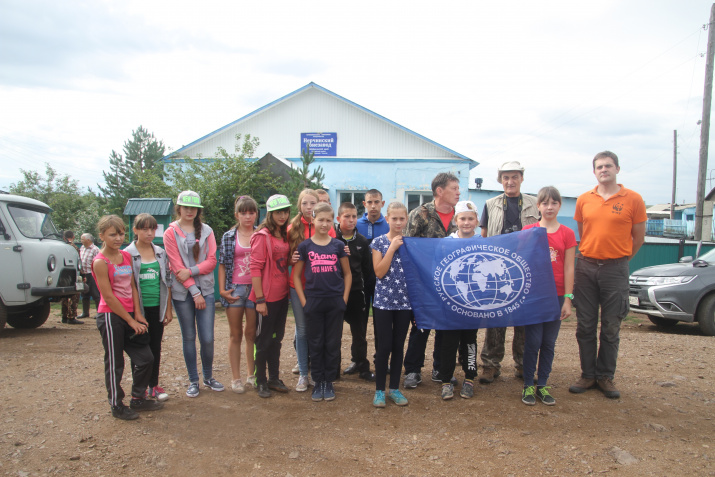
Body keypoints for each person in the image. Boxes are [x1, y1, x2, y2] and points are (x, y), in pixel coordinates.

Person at [569, 151, 646, 399]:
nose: (604, 170)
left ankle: (605, 377)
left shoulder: (633, 199)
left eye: (608, 166)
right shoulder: (584, 200)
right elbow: (584, 233)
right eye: (599, 166)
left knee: (611, 326)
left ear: (617, 169)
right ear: (594, 171)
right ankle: (588, 374)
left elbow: (639, 238)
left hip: (616, 269)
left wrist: (619, 259)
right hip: (586, 267)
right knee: (586, 325)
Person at [92, 215, 163, 420]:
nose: (118, 238)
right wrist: (130, 320)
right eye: (112, 234)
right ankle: (116, 404)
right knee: (115, 363)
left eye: (121, 233)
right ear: (102, 236)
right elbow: (108, 296)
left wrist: (138, 315)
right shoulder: (100, 262)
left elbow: (132, 286)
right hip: (111, 316)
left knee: (146, 358)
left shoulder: (126, 256)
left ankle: (138, 398)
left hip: (131, 315)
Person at [478, 161, 539, 384]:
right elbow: (483, 236)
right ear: (500, 180)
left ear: (522, 178)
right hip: (497, 270)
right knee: (495, 318)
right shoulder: (490, 204)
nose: (510, 181)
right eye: (505, 177)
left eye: (514, 177)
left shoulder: (534, 203)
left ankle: (523, 365)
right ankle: (490, 365)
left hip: (525, 270)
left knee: (523, 319)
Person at [403, 173, 460, 389]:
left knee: (446, 329)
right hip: (424, 284)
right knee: (420, 328)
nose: (458, 192)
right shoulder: (420, 214)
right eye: (454, 188)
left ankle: (441, 369)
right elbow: (408, 248)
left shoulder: (460, 216)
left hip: (452, 285)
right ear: (439, 191)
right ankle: (413, 370)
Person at [164, 190, 223, 398]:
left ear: (198, 210)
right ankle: (193, 381)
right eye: (186, 207)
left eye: (193, 208)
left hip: (205, 290)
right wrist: (193, 290)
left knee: (207, 338)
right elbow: (175, 265)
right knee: (189, 337)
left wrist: (191, 272)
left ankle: (208, 377)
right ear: (179, 208)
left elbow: (212, 260)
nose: (190, 211)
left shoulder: (207, 230)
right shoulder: (170, 232)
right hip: (183, 294)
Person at [521, 187, 576, 405]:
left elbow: (570, 267)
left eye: (554, 203)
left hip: (557, 294)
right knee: (532, 341)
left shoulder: (567, 233)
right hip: (535, 295)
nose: (549, 207)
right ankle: (527, 385)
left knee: (549, 342)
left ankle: (542, 384)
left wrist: (568, 298)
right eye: (545, 203)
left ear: (559, 205)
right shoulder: (530, 230)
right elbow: (521, 261)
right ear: (538, 206)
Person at [293, 203, 352, 401]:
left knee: (332, 343)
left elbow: (347, 274)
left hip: (334, 301)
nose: (324, 224)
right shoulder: (305, 246)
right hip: (314, 302)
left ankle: (329, 381)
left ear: (333, 222)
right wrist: (304, 302)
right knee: (316, 343)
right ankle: (318, 381)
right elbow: (296, 276)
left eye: (328, 220)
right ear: (313, 220)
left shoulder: (338, 246)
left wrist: (343, 299)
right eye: (321, 220)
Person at [287, 189, 336, 392]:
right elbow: (284, 256)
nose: (309, 207)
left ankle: (319, 373)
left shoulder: (327, 227)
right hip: (297, 286)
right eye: (305, 203)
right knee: (303, 330)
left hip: (320, 288)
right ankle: (304, 375)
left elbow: (334, 250)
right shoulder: (291, 228)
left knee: (318, 331)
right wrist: (290, 260)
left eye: (313, 203)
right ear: (299, 205)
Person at [125, 213, 173, 403]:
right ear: (135, 230)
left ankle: (153, 386)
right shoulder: (127, 254)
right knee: (140, 350)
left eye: (152, 229)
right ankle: (140, 389)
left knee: (155, 347)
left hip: (157, 308)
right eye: (144, 229)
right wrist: (135, 313)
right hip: (138, 310)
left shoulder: (161, 253)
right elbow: (129, 285)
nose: (149, 233)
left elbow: (167, 282)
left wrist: (168, 309)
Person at [250, 194, 292, 398]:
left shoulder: (283, 234)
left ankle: (274, 377)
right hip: (266, 298)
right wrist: (260, 300)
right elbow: (255, 269)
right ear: (270, 213)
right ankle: (261, 381)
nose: (282, 215)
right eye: (278, 212)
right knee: (264, 340)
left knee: (277, 339)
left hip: (282, 296)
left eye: (285, 211)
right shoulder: (262, 236)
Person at [370, 201, 412, 408]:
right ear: (387, 219)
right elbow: (379, 271)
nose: (397, 222)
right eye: (393, 218)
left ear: (406, 220)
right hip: (384, 303)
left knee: (398, 346)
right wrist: (392, 248)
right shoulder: (378, 242)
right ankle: (379, 390)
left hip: (405, 303)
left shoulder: (411, 243)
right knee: (384, 346)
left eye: (401, 218)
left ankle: (394, 388)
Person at [439, 200, 480, 400]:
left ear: (477, 221)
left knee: (470, 342)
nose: (466, 222)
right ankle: (446, 380)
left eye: (470, 218)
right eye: (462, 218)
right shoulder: (447, 242)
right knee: (448, 343)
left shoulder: (483, 242)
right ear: (456, 220)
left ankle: (470, 378)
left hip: (473, 305)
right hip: (451, 303)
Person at [218, 196, 259, 394]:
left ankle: (252, 375)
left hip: (254, 289)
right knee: (235, 334)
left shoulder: (261, 234)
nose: (248, 216)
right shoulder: (228, 236)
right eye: (244, 213)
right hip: (234, 289)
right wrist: (222, 290)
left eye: (251, 212)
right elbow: (222, 263)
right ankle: (236, 378)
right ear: (237, 215)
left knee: (251, 333)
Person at [335, 202, 374, 381]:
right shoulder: (331, 240)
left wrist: (367, 293)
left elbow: (368, 271)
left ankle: (361, 365)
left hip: (358, 294)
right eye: (347, 217)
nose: (351, 220)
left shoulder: (362, 241)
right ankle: (333, 368)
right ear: (338, 218)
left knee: (359, 333)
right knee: (334, 333)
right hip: (335, 294)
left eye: (354, 216)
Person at [356, 189, 388, 371]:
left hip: (382, 282)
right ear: (364, 204)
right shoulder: (357, 224)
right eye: (370, 202)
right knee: (359, 323)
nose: (373, 206)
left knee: (381, 324)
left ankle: (380, 360)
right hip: (360, 282)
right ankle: (359, 361)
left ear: (382, 204)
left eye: (377, 202)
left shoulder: (389, 225)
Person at [61, 230, 82, 324]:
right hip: (73, 273)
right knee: (74, 295)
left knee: (64, 295)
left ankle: (64, 316)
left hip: (62, 274)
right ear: (73, 236)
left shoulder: (62, 247)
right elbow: (79, 262)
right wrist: (83, 275)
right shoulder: (74, 248)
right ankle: (71, 316)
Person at [79, 233, 101, 319]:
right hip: (83, 274)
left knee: (95, 294)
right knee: (84, 293)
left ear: (88, 240)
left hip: (92, 274)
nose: (81, 241)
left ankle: (99, 313)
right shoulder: (82, 248)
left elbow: (98, 261)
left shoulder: (95, 249)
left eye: (82, 239)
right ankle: (85, 312)